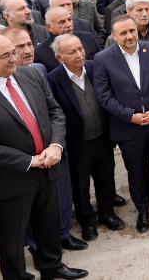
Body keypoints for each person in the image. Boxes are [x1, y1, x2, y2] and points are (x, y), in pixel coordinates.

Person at [0, 34, 88, 280]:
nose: (14, 58)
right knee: (13, 239)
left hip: (47, 168)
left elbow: (55, 112)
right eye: (5, 55)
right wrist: (30, 161)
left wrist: (56, 145)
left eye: (13, 52)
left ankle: (52, 267)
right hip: (9, 182)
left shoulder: (30, 75)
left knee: (49, 224)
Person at [93, 16, 149, 233]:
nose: (129, 36)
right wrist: (131, 116)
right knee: (136, 172)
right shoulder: (103, 59)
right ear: (114, 36)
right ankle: (142, 211)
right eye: (123, 33)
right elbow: (104, 97)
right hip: (129, 128)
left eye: (132, 31)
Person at [47, 35, 125, 241]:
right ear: (59, 57)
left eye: (80, 49)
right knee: (79, 185)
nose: (79, 54)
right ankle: (87, 221)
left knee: (106, 177)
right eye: (72, 52)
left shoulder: (94, 67)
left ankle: (107, 213)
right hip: (77, 143)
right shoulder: (54, 79)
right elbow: (54, 113)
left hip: (102, 137)